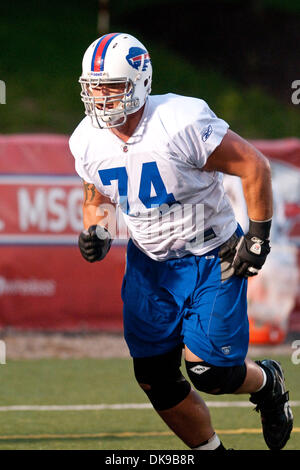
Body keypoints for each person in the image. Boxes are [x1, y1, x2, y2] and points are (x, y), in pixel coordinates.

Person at [69, 32, 293, 451]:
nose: (102, 99)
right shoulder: (86, 139)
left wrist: (258, 237)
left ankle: (267, 382)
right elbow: (97, 190)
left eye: (113, 87)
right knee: (154, 376)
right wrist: (96, 227)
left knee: (212, 373)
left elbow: (253, 165)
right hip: (148, 264)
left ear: (139, 83)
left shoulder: (179, 122)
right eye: (94, 88)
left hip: (212, 254)